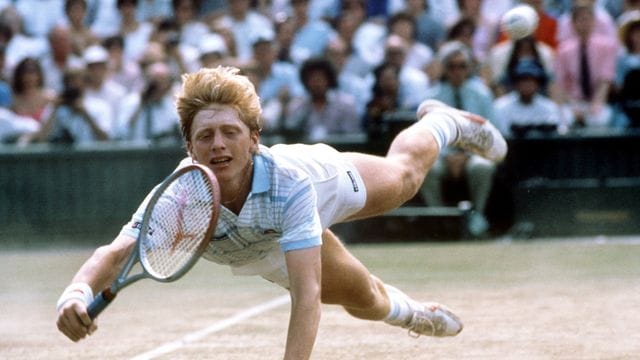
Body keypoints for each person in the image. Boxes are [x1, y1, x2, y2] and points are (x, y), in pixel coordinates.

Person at [55, 66, 508, 359]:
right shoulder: (178, 197)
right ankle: (413, 313)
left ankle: (443, 122)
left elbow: (304, 296)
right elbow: (116, 253)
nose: (218, 145)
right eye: (205, 135)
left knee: (404, 180)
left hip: (318, 185)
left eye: (230, 132)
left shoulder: (289, 184)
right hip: (258, 248)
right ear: (189, 147)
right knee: (362, 299)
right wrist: (74, 294)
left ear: (254, 139)